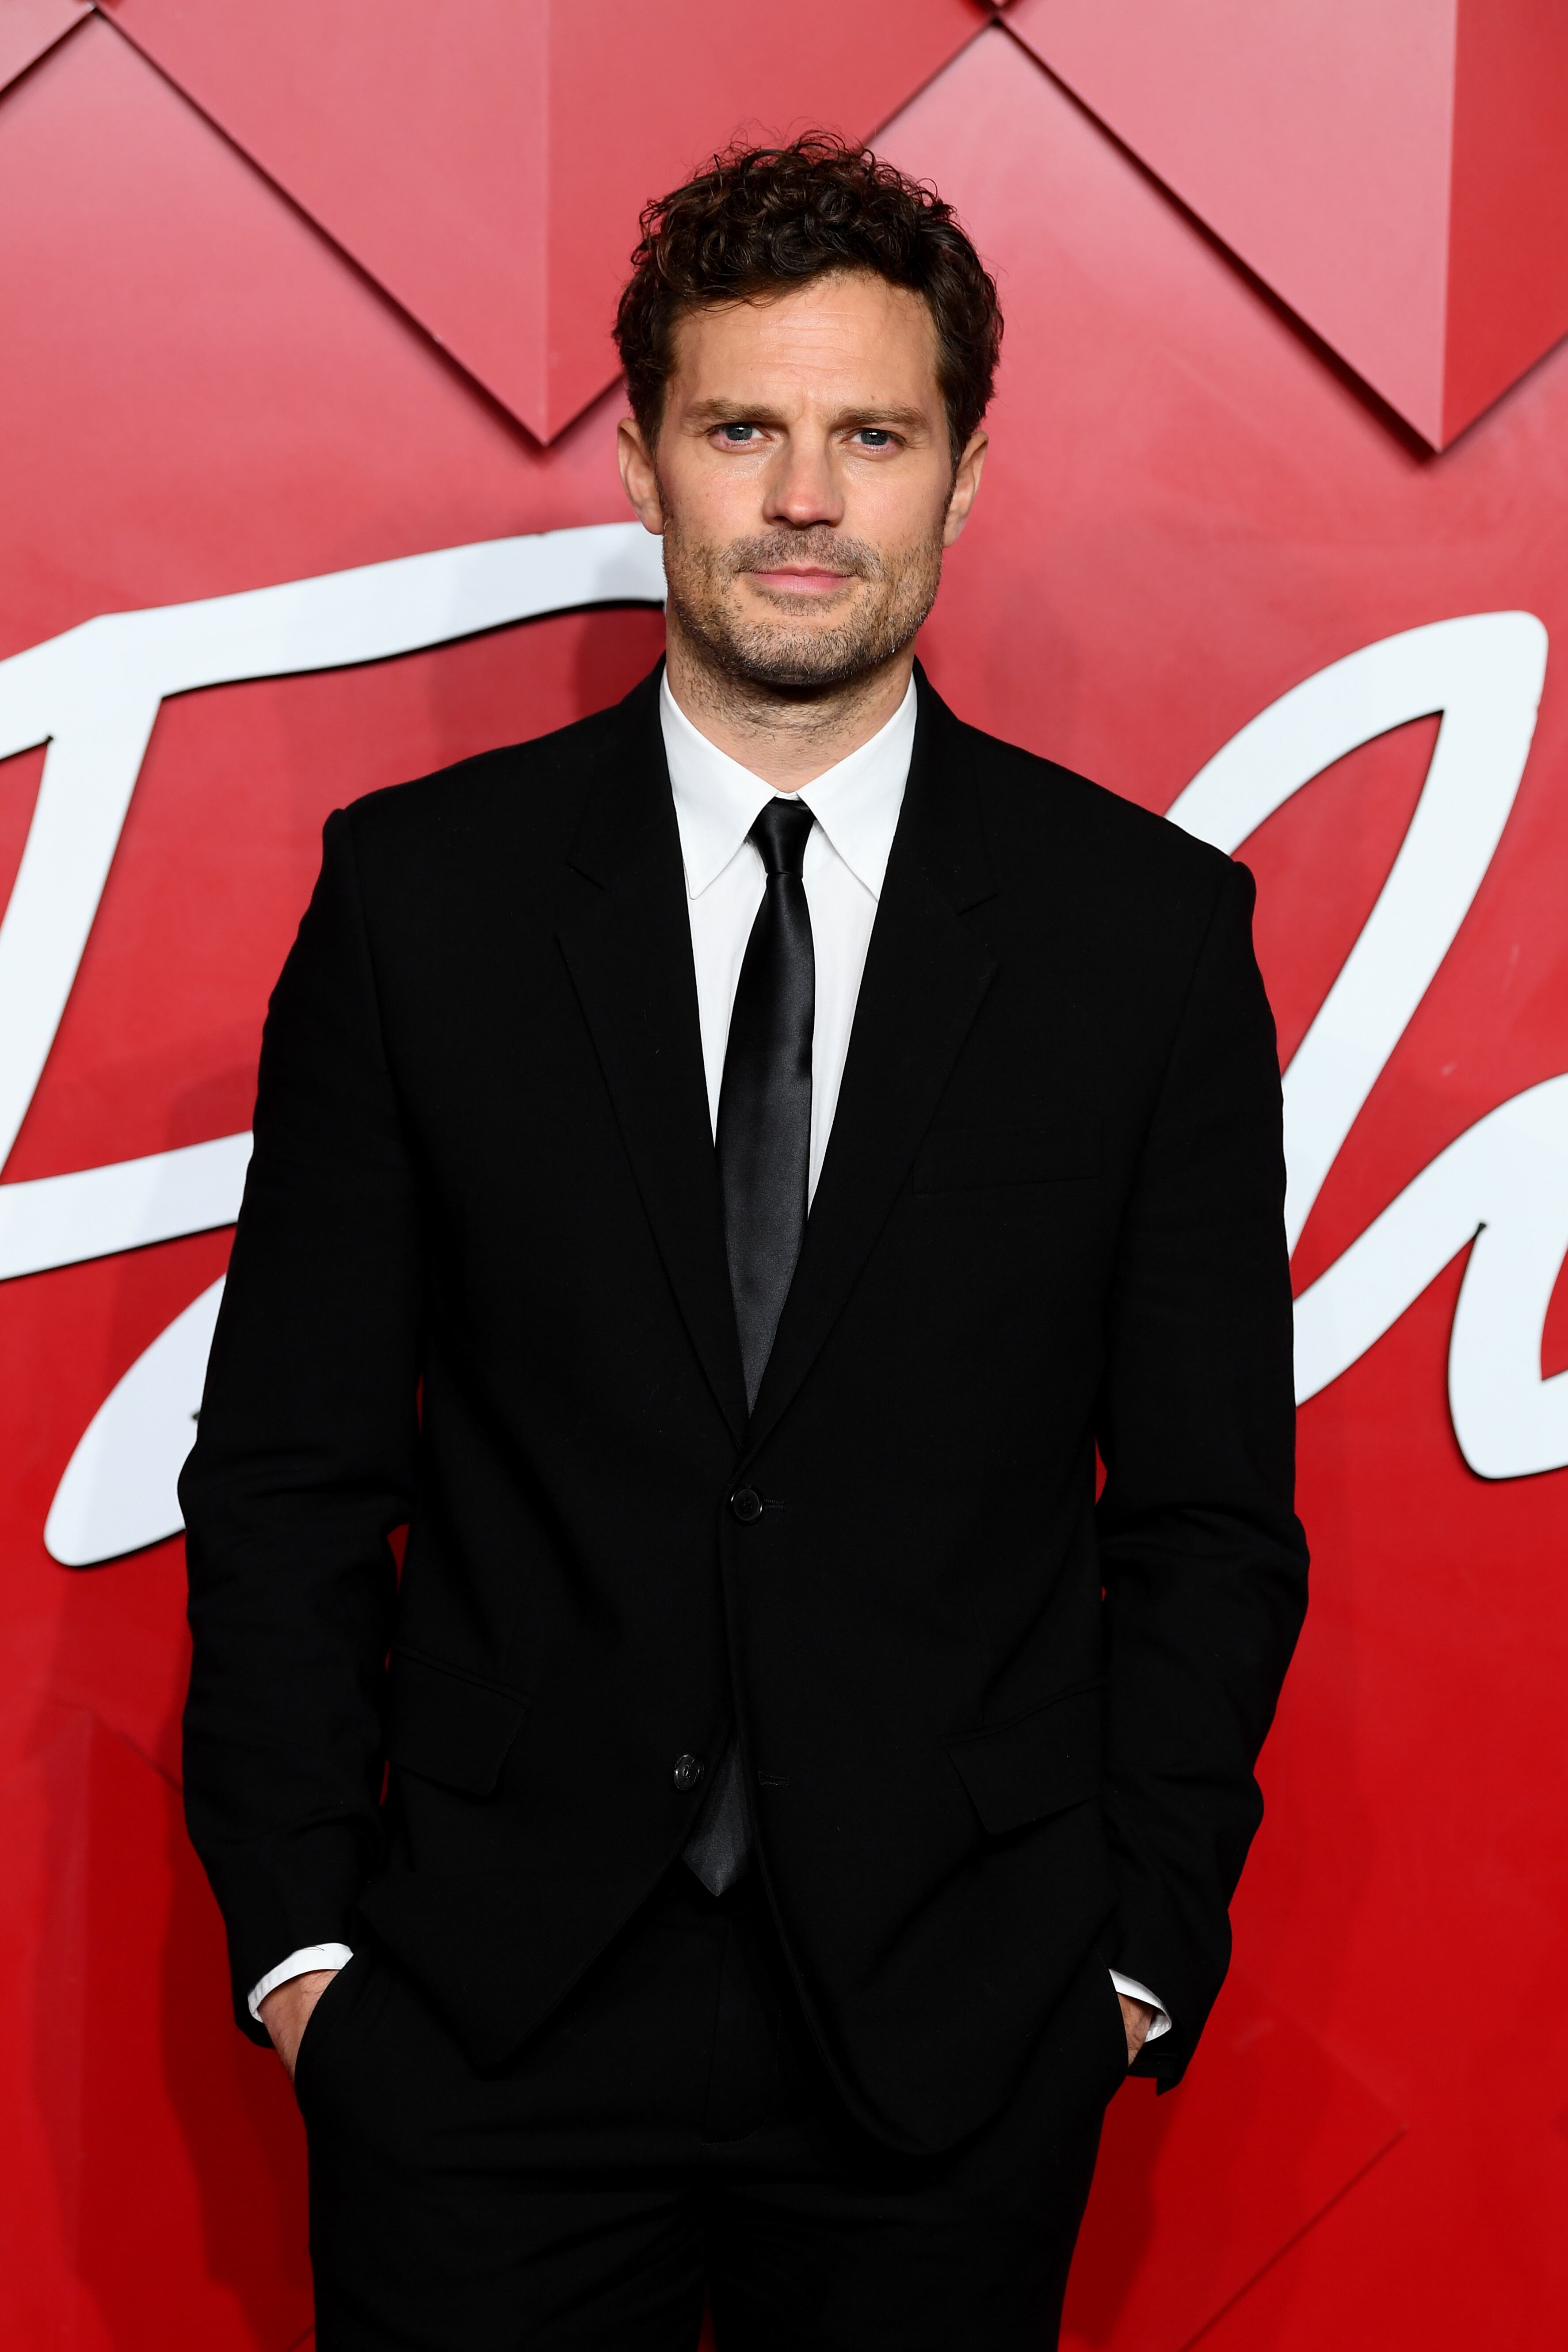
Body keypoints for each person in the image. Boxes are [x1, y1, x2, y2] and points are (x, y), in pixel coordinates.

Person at [181, 134, 1308, 2351]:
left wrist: (1120, 1962)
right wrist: (308, 1957)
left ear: (961, 475)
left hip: (954, 2039)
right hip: (482, 2031)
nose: (806, 496)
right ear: (641, 460)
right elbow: (291, 1467)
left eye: (870, 434)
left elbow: (1205, 1515)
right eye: (742, 428)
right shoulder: (422, 905)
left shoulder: (1143, 940)